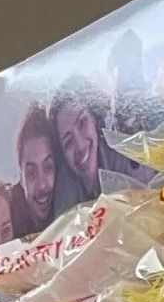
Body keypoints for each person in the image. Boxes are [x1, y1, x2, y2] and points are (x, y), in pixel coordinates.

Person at [50, 88, 138, 213]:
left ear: (95, 121)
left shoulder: (124, 154)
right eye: (68, 141)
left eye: (82, 123)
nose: (80, 146)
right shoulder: (63, 187)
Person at [12, 102, 58, 236]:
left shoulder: (75, 212)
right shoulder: (7, 227)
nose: (42, 185)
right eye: (31, 173)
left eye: (48, 168)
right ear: (20, 178)